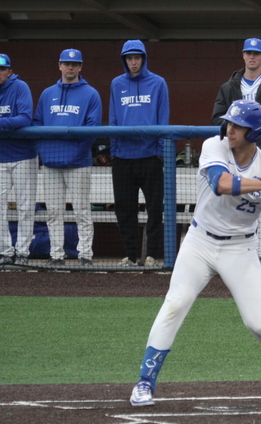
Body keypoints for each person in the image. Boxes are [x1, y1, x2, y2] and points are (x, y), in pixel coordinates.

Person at [130, 100, 261, 407]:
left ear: (255, 132)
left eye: (238, 126)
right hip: (199, 241)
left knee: (258, 322)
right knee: (175, 304)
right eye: (230, 123)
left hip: (240, 248)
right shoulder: (215, 147)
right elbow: (221, 184)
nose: (230, 129)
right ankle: (144, 382)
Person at [210, 38, 261, 270]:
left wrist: (257, 115)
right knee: (244, 202)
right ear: (243, 56)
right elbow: (216, 118)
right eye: (248, 53)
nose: (252, 57)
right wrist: (242, 122)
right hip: (238, 155)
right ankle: (251, 254)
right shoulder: (229, 86)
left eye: (257, 53)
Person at [33, 49, 102, 267]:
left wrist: (73, 153)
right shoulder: (47, 94)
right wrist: (46, 153)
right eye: (66, 63)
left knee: (82, 211)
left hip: (78, 163)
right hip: (52, 164)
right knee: (54, 212)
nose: (70, 67)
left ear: (80, 67)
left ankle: (85, 255)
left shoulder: (91, 94)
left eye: (74, 64)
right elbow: (36, 126)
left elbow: (92, 129)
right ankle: (56, 256)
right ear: (59, 66)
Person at [109, 40, 170, 268]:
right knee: (125, 210)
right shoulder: (116, 84)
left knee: (155, 209)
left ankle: (152, 255)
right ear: (124, 60)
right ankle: (130, 256)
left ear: (143, 58)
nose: (133, 62)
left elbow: (163, 118)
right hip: (123, 159)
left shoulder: (158, 83)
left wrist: (159, 153)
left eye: (137, 58)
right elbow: (113, 118)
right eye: (129, 58)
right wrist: (115, 152)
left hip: (150, 158)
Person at [0, 53, 37, 267]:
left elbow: (25, 118)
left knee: (25, 207)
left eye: (2, 69)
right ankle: (5, 252)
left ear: (9, 71)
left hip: (23, 156)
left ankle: (23, 252)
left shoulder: (20, 87)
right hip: (0, 157)